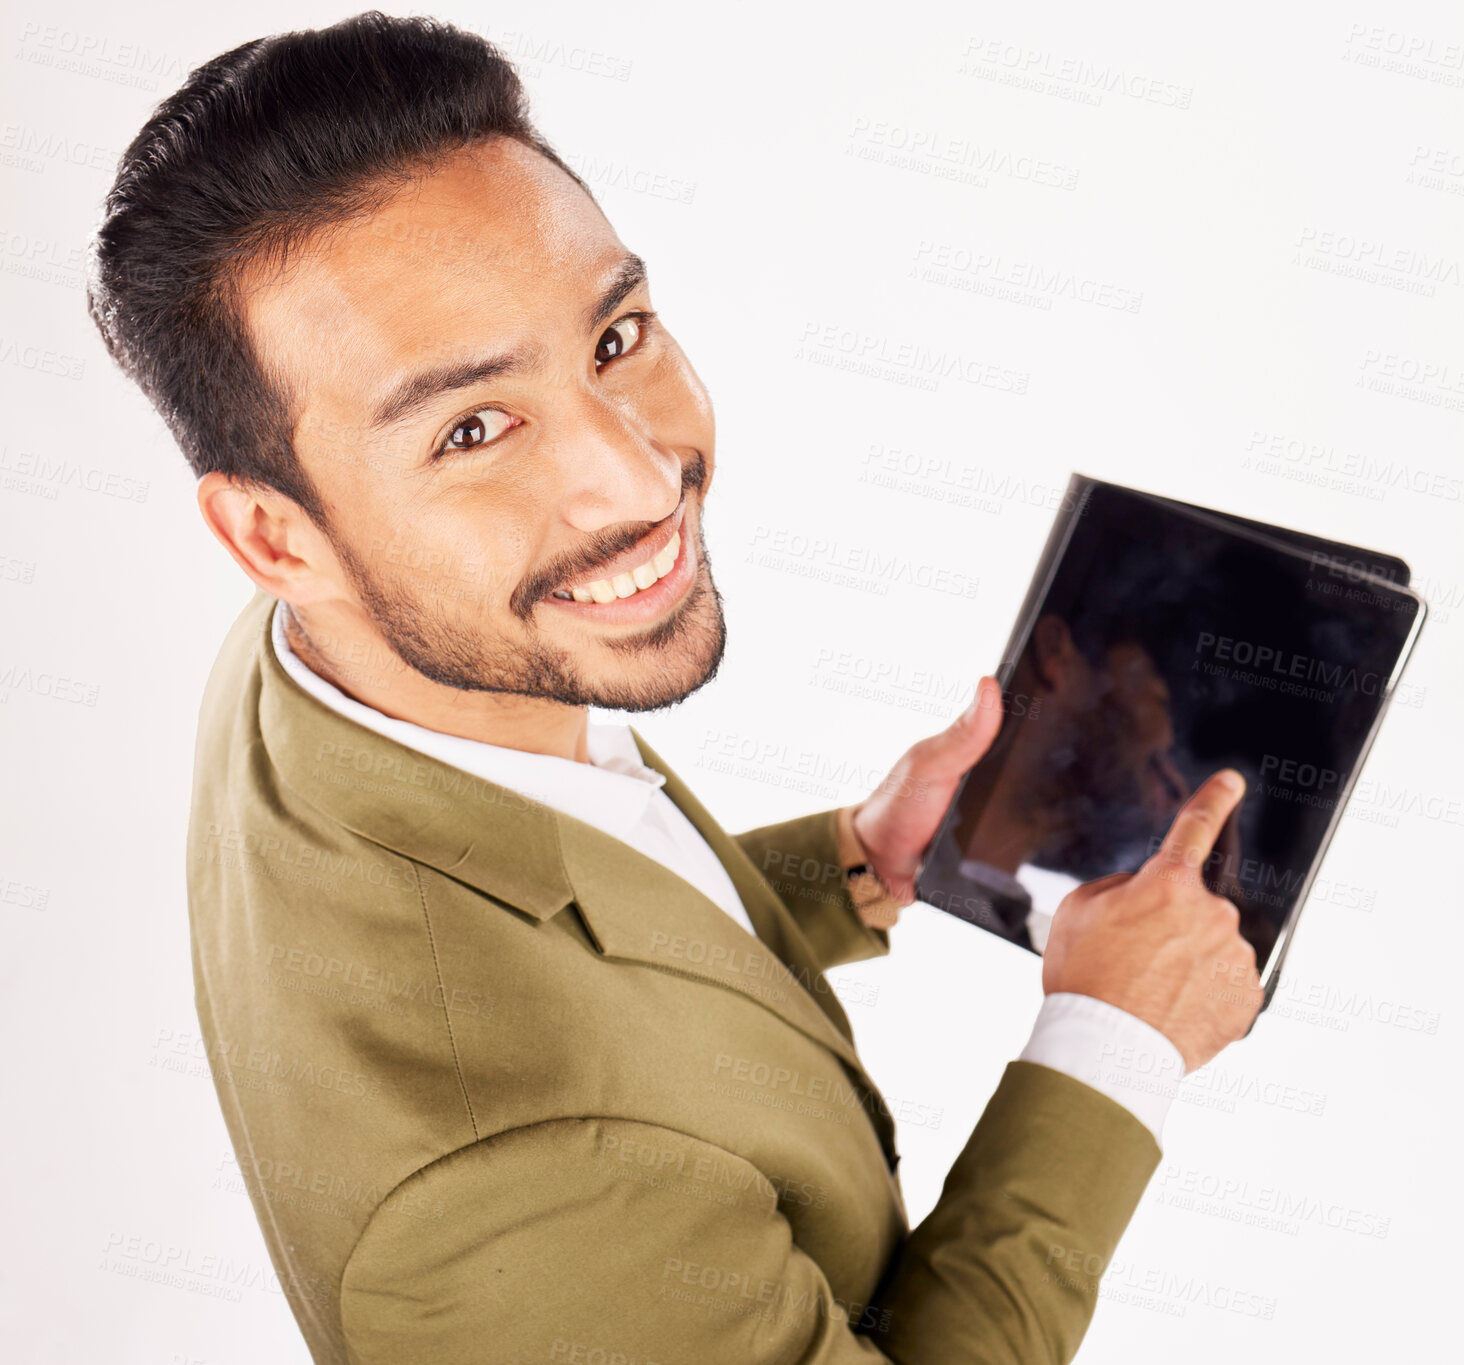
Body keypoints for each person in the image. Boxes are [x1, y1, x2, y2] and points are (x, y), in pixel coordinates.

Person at [86, 13, 1263, 1363]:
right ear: (272, 534)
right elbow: (552, 1097)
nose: (642, 480)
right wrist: (1110, 1047)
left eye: (613, 336)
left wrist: (846, 869)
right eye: (473, 427)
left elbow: (544, 926)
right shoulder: (501, 1188)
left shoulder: (312, 657)